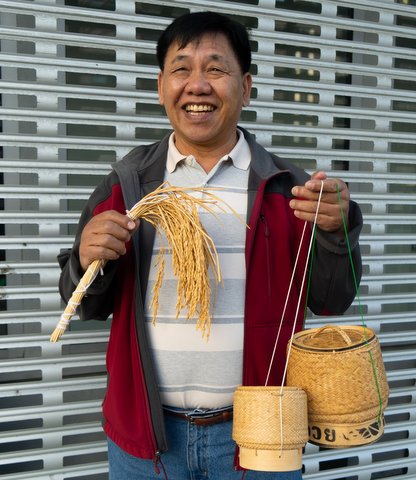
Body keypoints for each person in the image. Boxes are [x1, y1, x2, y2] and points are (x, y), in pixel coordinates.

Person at [58, 11, 363, 480]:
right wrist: (84, 260)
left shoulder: (289, 190)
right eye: (182, 69)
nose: (197, 85)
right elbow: (87, 305)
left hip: (260, 438)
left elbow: (331, 300)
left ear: (246, 87)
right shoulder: (129, 186)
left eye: (216, 69)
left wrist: (335, 233)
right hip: (147, 443)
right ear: (161, 86)